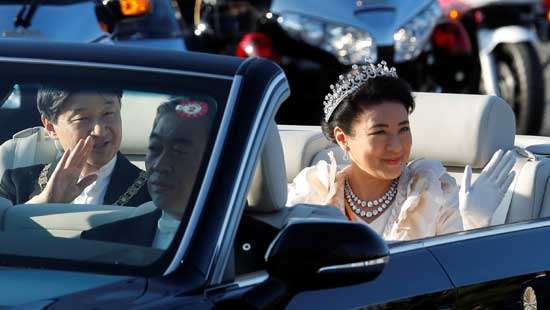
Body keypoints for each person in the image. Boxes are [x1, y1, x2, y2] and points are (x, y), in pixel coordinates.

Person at [286, 61, 516, 241]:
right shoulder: (312, 192)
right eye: (380, 132)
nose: (396, 146)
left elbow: (462, 278)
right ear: (343, 139)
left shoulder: (434, 192)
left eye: (403, 129)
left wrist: (474, 223)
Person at [81, 98, 278, 273]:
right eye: (155, 148)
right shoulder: (101, 242)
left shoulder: (269, 252)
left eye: (180, 151)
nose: (159, 165)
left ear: (222, 160)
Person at [0, 86, 150, 206]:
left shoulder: (153, 193)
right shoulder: (17, 184)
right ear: (51, 127)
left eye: (108, 113)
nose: (99, 131)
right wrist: (45, 202)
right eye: (82, 118)